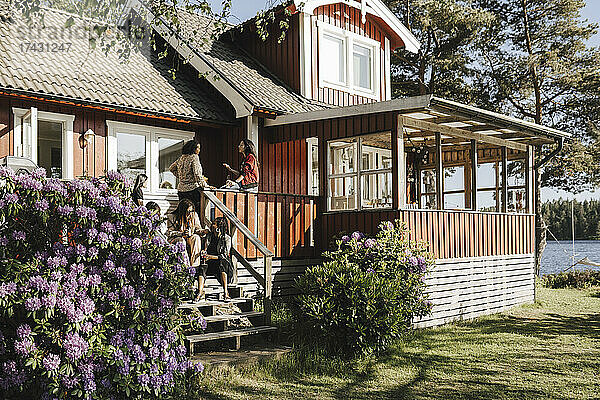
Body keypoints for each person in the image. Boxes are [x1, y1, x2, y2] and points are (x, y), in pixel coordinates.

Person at [169, 140, 208, 224]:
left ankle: (183, 229)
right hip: (192, 190)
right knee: (194, 213)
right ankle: (195, 230)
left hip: (181, 190)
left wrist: (181, 177)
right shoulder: (194, 157)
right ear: (193, 148)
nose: (199, 150)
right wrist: (205, 185)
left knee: (183, 212)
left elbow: (171, 168)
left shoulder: (181, 158)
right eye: (198, 148)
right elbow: (197, 174)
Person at [198, 217, 233, 301]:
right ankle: (199, 293)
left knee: (222, 263)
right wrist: (204, 252)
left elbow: (224, 256)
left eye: (214, 224)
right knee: (202, 266)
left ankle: (226, 292)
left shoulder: (226, 238)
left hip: (222, 265)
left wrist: (210, 257)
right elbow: (206, 248)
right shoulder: (209, 236)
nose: (212, 225)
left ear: (219, 227)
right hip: (211, 264)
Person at [167, 199, 204, 278]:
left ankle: (194, 267)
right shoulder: (171, 217)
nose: (190, 213)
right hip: (177, 238)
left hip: (189, 237)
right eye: (188, 211)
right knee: (181, 241)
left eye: (191, 211)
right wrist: (181, 233)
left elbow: (197, 228)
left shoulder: (194, 215)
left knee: (196, 238)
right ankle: (185, 266)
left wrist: (202, 232)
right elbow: (169, 233)